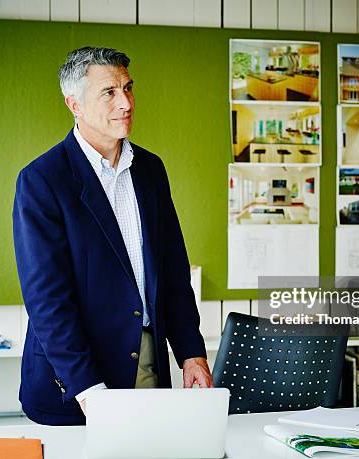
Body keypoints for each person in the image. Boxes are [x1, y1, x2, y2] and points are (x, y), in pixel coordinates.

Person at [12, 47, 213, 426]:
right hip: (75, 381)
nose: (126, 102)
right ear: (75, 104)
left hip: (149, 367)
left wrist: (191, 353)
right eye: (109, 92)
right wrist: (89, 390)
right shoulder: (42, 180)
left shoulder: (151, 170)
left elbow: (173, 272)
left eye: (128, 88)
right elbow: (47, 301)